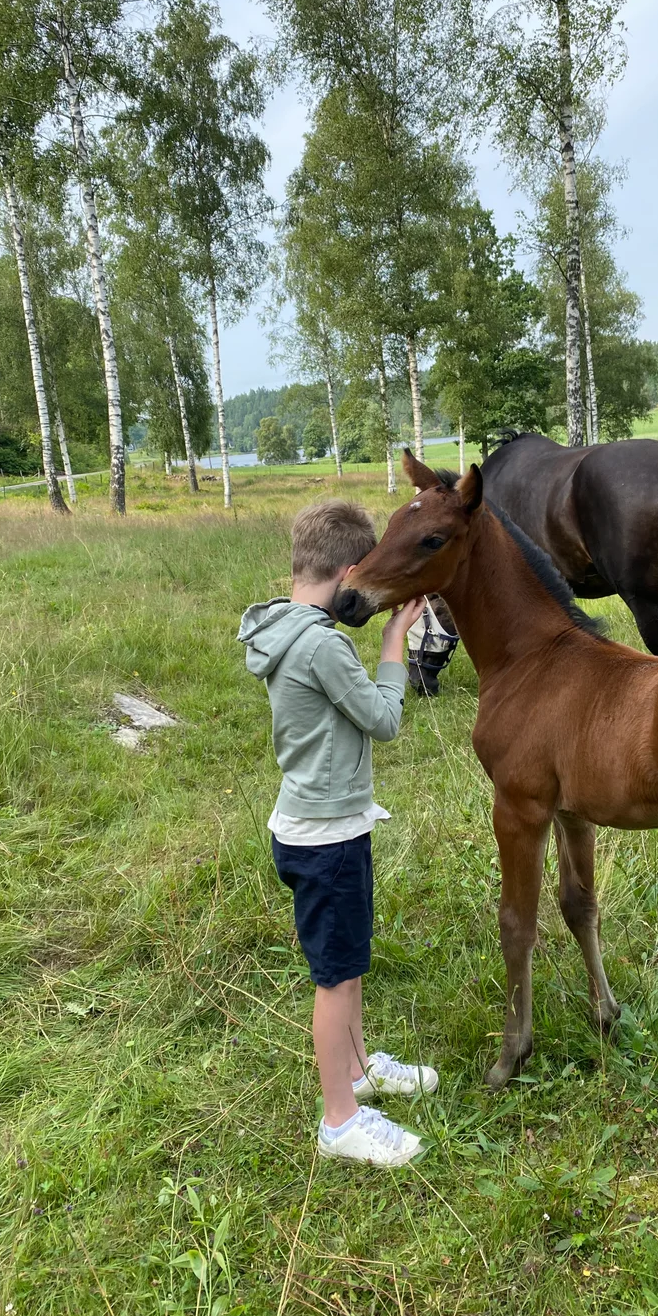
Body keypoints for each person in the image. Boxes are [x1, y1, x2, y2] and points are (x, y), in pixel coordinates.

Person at [238, 499, 439, 1168]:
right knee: (335, 977)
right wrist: (391, 648)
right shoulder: (321, 644)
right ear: (352, 570)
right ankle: (340, 1120)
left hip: (321, 825)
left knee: (348, 967)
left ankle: (356, 1072)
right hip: (325, 837)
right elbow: (383, 719)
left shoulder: (282, 628)